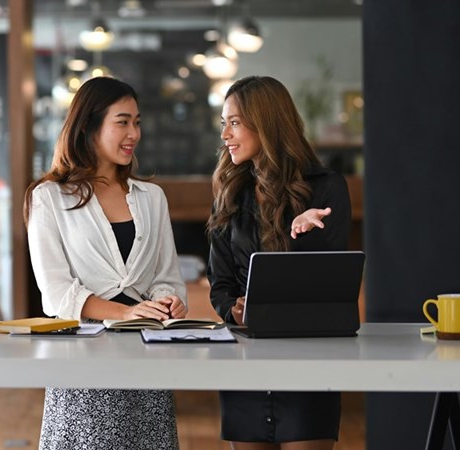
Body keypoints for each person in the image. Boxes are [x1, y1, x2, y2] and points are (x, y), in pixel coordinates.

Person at [24, 76, 188, 450]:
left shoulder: (152, 198)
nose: (134, 133)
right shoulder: (48, 198)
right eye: (123, 121)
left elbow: (168, 278)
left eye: (138, 122)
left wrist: (168, 301)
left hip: (147, 355)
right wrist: (124, 313)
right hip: (83, 360)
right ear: (89, 126)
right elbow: (56, 294)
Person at [207, 75, 351, 450]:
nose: (225, 134)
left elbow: (330, 287)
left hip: (309, 363)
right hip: (245, 364)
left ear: (266, 123)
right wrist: (233, 311)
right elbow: (220, 283)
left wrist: (302, 235)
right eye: (223, 123)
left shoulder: (325, 187)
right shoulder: (229, 194)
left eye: (234, 122)